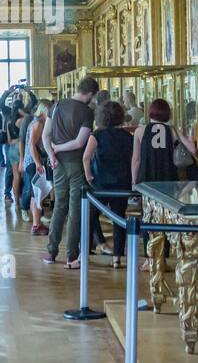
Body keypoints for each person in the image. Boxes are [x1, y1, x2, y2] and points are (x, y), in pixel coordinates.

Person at [43, 77, 100, 267]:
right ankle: (72, 256)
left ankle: (51, 252)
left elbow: (46, 135)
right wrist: (58, 150)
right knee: (75, 209)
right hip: (76, 163)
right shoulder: (86, 112)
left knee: (59, 206)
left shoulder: (57, 105)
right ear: (91, 94)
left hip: (58, 165)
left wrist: (52, 155)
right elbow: (79, 142)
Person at [84, 100, 135, 269]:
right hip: (122, 182)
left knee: (91, 216)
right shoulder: (128, 137)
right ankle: (117, 258)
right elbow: (133, 160)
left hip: (101, 183)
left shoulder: (97, 135)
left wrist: (88, 175)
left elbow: (86, 156)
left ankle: (91, 248)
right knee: (119, 219)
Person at [25, 100, 52, 235]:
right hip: (33, 162)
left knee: (35, 193)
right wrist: (37, 163)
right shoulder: (38, 123)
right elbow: (31, 145)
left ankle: (37, 223)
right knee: (37, 194)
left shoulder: (36, 122)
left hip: (32, 161)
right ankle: (36, 224)